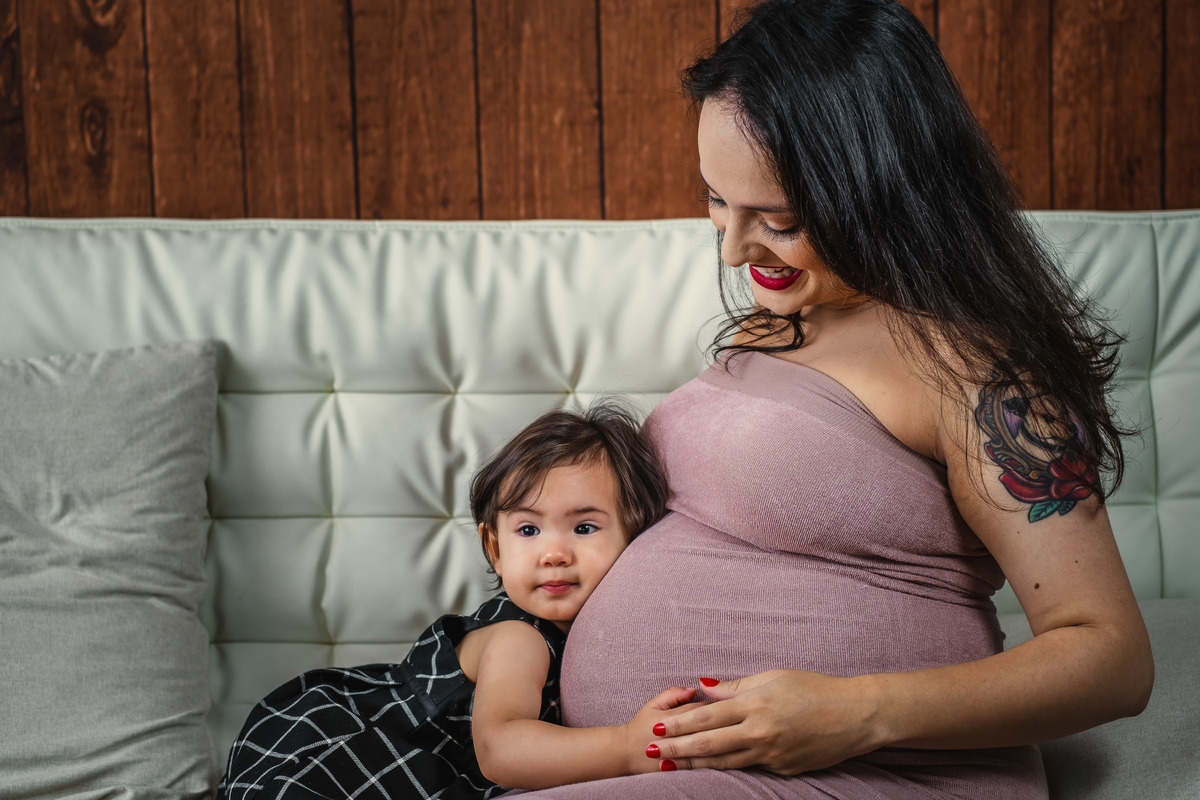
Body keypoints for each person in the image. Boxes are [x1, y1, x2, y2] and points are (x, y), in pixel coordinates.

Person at [510, 1, 1154, 798]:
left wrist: (857, 710)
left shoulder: (985, 377)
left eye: (776, 218)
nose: (735, 247)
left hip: (876, 772)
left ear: (886, 190)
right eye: (716, 199)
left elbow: (1113, 660)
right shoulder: (788, 312)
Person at [217, 400, 690, 800]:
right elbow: (501, 751)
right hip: (350, 749)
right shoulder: (518, 639)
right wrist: (627, 746)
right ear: (495, 548)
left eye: (584, 528)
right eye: (528, 529)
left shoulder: (596, 634)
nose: (553, 554)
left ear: (638, 539)